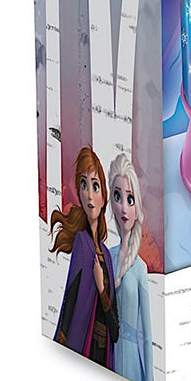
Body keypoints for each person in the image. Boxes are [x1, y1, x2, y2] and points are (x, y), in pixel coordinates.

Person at [50, 147, 118, 368]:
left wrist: (101, 288)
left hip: (104, 355)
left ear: (104, 196)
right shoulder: (81, 242)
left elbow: (115, 330)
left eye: (95, 186)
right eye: (84, 185)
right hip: (84, 348)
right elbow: (70, 300)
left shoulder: (107, 256)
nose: (89, 195)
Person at [108, 154, 154, 381]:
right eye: (118, 197)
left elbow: (147, 336)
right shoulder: (107, 257)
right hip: (107, 357)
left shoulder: (139, 268)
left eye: (130, 199)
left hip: (132, 365)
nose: (124, 208)